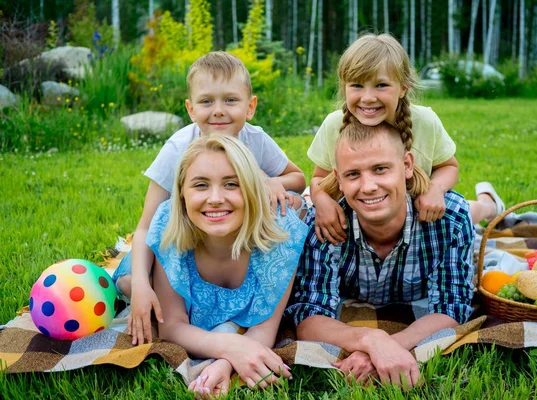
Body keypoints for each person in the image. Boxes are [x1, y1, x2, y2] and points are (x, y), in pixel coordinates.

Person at [113, 51, 306, 345]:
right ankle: (167, 297)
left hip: (229, 242)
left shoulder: (255, 140)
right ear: (191, 109)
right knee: (130, 281)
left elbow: (298, 179)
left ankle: (223, 305)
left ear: (250, 106)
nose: (218, 111)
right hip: (173, 238)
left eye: (230, 100)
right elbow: (147, 226)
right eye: (207, 101)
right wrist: (141, 283)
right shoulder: (178, 148)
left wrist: (272, 182)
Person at [286, 120, 475, 389]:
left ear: (407, 165)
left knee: (474, 211)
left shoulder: (450, 219)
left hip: (442, 213)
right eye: (353, 175)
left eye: (380, 169)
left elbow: (452, 306)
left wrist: (388, 348)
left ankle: (488, 203)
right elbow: (308, 316)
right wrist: (372, 341)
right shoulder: (325, 224)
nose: (369, 186)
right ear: (338, 178)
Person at [127, 134, 308, 396]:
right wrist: (230, 346)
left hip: (275, 221)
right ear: (181, 194)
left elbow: (264, 328)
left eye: (231, 184)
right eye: (200, 185)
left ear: (253, 190)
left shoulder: (281, 239)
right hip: (164, 251)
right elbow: (172, 325)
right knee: (127, 283)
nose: (215, 198)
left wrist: (225, 363)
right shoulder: (170, 231)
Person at [307, 33, 504, 245]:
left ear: (403, 88)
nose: (368, 97)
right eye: (356, 85)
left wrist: (435, 190)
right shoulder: (334, 125)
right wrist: (321, 201)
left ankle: (488, 204)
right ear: (344, 86)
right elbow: (320, 178)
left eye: (381, 85)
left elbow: (449, 167)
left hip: (419, 208)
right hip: (365, 211)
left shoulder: (424, 121)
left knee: (460, 211)